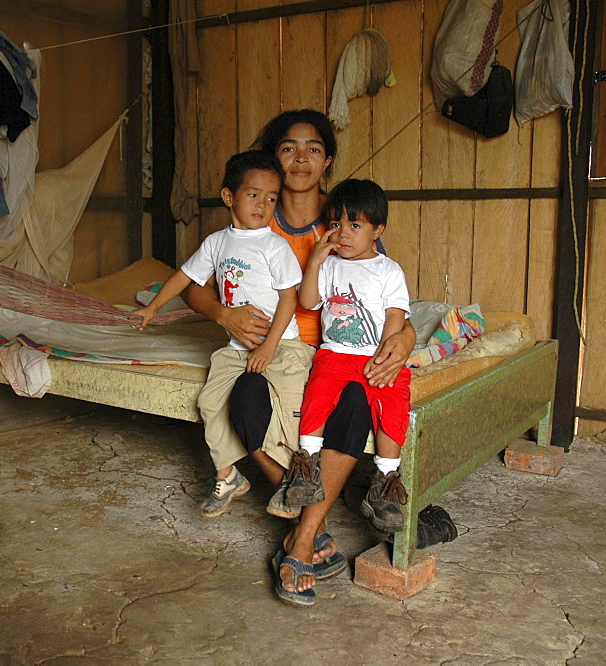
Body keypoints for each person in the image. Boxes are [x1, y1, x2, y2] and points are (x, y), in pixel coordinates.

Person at [184, 110, 444, 607]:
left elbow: (383, 295)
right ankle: (315, 518)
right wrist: (223, 315)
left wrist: (406, 340)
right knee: (243, 395)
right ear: (272, 158)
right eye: (288, 147)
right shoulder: (254, 214)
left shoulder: (347, 215)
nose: (300, 158)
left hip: (333, 350)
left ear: (327, 160)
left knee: (351, 399)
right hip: (268, 347)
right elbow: (194, 288)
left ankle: (302, 540)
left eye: (313, 149)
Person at [133, 149, 314, 519]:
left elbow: (288, 301)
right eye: (253, 195)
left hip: (285, 344)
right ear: (229, 196)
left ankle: (298, 477)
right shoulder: (218, 242)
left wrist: (269, 346)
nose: (263, 205)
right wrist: (152, 307)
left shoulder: (273, 245)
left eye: (271, 198)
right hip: (236, 347)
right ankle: (228, 475)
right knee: (210, 403)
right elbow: (186, 276)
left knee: (291, 410)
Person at [296, 179, 412, 535]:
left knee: (394, 400)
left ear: (378, 229)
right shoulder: (329, 265)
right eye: (336, 225)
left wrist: (387, 354)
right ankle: (306, 464)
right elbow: (307, 302)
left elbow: (396, 315)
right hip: (335, 352)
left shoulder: (388, 270)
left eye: (355, 225)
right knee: (318, 393)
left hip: (373, 356)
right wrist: (316, 259)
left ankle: (386, 478)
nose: (343, 234)